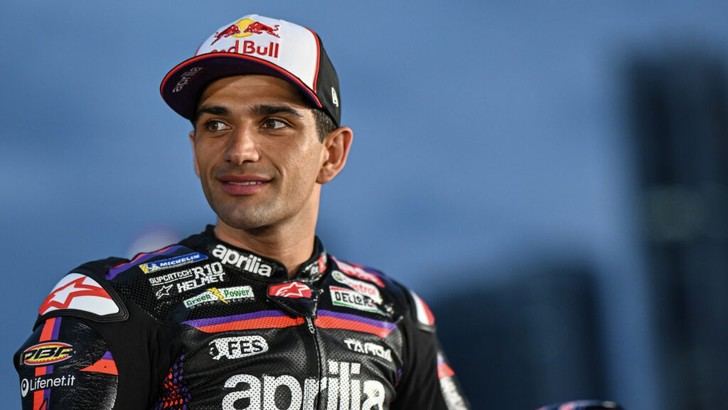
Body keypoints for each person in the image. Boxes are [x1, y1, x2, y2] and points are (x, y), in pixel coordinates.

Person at [14, 13, 469, 409]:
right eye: (216, 124)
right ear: (195, 151)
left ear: (331, 153)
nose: (240, 150)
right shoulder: (113, 301)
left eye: (273, 123)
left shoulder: (395, 312)